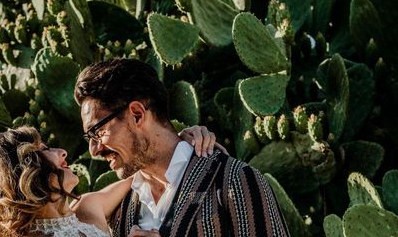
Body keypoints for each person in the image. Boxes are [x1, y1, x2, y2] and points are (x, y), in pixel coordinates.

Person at [74, 58, 290, 237]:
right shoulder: (121, 208)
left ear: (137, 114)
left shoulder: (235, 180)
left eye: (97, 132)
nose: (94, 149)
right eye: (89, 137)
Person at [0, 124, 218, 237]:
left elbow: (140, 172)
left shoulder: (86, 211)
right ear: (22, 174)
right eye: (43, 151)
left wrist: (180, 142)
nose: (61, 152)